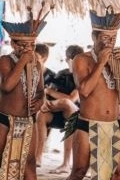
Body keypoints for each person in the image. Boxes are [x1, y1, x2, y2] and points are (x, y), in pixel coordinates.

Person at [67, 6, 120, 180]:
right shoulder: (81, 59)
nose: (110, 42)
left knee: (117, 174)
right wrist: (100, 63)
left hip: (114, 125)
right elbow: (84, 91)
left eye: (114, 38)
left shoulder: (117, 61)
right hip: (87, 124)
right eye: (106, 38)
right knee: (79, 172)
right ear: (94, 37)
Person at [0, 5, 50, 180]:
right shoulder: (5, 61)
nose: (28, 49)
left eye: (32, 45)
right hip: (4, 119)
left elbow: (41, 90)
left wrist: (41, 100)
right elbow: (6, 87)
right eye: (24, 45)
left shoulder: (37, 64)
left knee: (30, 162)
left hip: (28, 120)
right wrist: (22, 62)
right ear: (13, 43)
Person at [36, 45, 83, 173]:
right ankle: (38, 157)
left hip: (77, 115)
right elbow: (48, 93)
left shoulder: (84, 75)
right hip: (58, 113)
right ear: (67, 59)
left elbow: (72, 98)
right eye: (72, 60)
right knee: (41, 114)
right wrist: (51, 94)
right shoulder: (62, 74)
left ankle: (66, 163)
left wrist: (52, 92)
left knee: (67, 103)